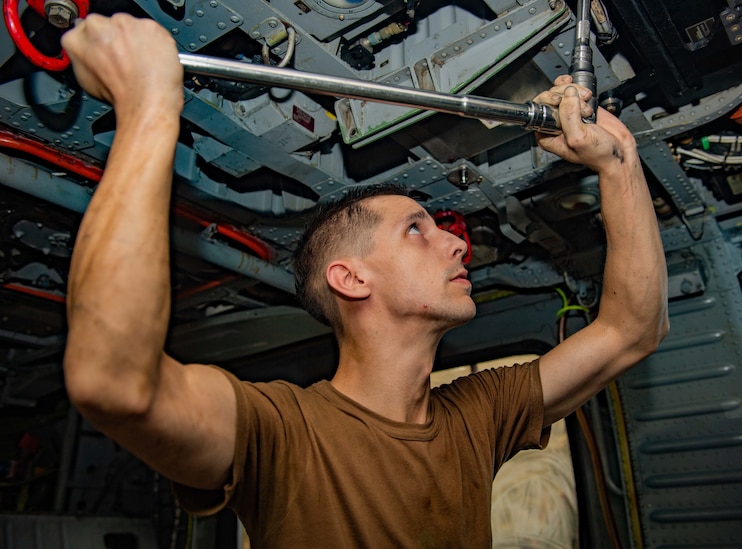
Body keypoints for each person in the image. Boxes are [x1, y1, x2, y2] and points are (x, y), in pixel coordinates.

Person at [60, 13, 669, 548]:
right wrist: (148, 106)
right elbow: (112, 380)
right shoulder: (280, 432)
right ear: (350, 279)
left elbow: (631, 330)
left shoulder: (477, 419)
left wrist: (618, 164)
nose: (457, 240)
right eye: (415, 229)